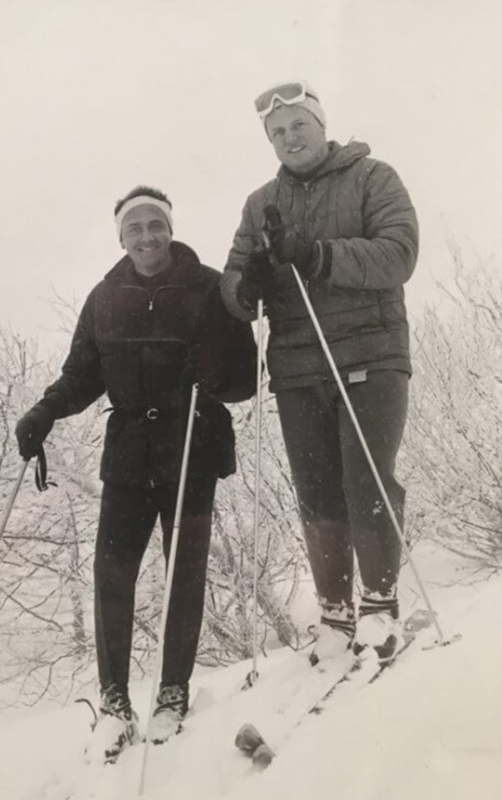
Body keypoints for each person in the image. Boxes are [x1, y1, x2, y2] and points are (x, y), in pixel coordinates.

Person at [15, 186, 256, 761]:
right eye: (134, 228)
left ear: (170, 227)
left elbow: (247, 379)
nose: (147, 236)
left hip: (192, 444)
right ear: (120, 237)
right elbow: (83, 373)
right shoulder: (105, 297)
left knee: (184, 577)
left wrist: (216, 371)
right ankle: (115, 702)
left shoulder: (208, 287)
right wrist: (45, 410)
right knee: (112, 575)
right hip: (127, 454)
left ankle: (172, 693)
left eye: (155, 224)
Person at [221, 81, 418, 666]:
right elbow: (231, 284)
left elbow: (399, 254)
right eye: (277, 133)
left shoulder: (372, 176)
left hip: (371, 354)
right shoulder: (259, 204)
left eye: (298, 125)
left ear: (320, 124)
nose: (289, 138)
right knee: (317, 491)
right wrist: (245, 286)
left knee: (366, 479)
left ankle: (379, 605)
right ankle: (335, 615)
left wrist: (317, 254)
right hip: (299, 368)